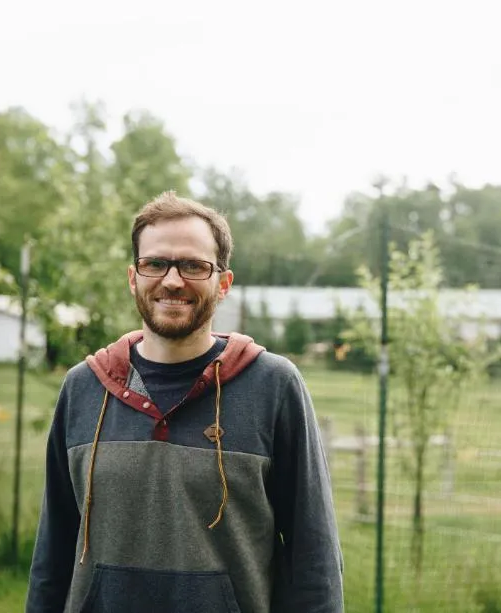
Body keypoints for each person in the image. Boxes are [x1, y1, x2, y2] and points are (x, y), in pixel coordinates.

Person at [25, 192, 344, 613]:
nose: (172, 280)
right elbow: (53, 553)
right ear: (133, 277)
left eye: (194, 265)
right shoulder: (83, 388)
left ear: (223, 283)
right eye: (155, 263)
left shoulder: (274, 386)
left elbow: (314, 558)